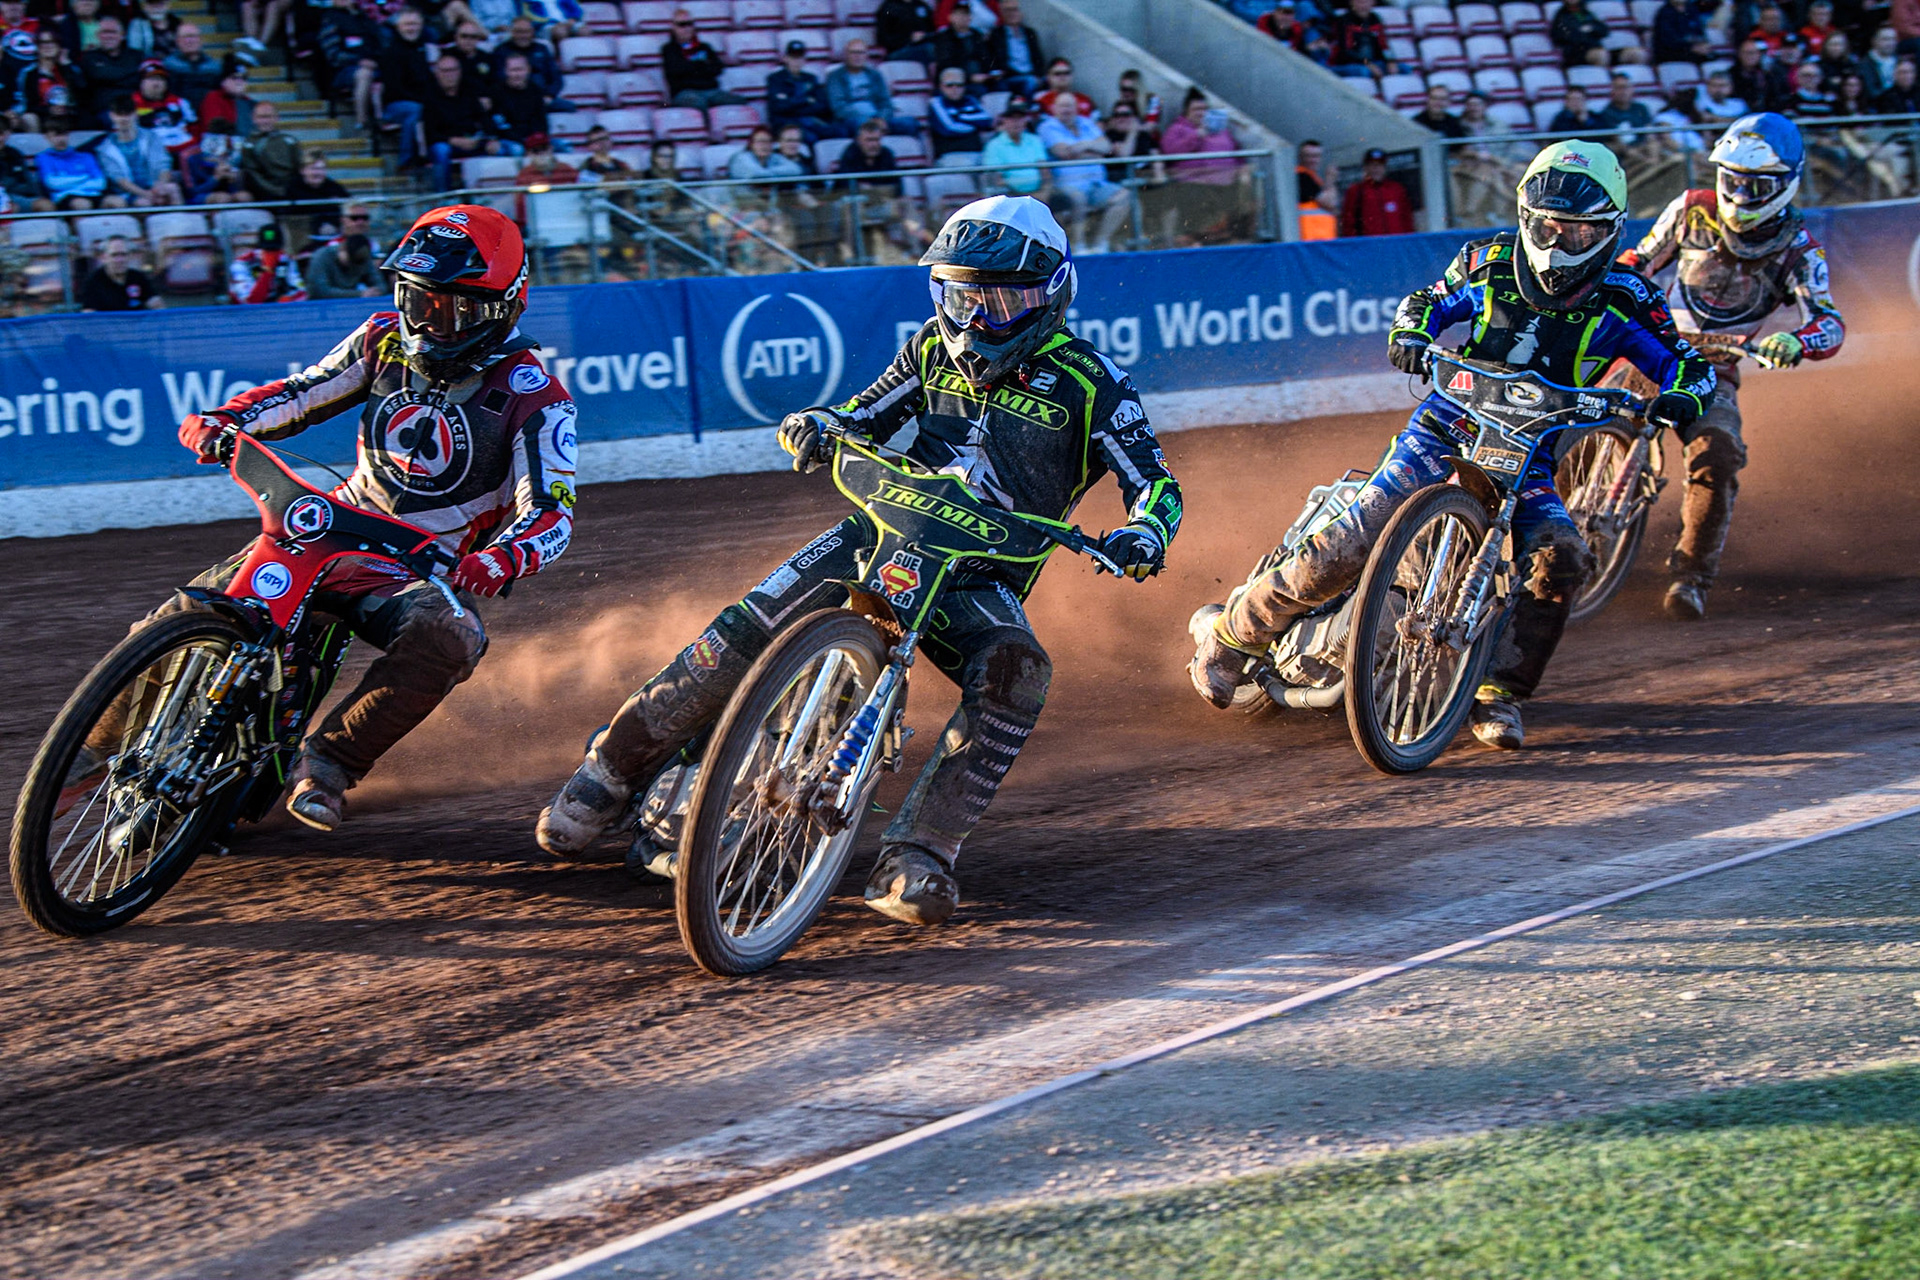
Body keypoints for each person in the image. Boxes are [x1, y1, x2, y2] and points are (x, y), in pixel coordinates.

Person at [538, 195, 1180, 928]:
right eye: (961, 296)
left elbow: (1155, 483)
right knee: (746, 624)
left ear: (1052, 293)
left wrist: (1145, 534)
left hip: (980, 572)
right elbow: (864, 413)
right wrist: (820, 423)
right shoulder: (928, 349)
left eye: (1000, 301)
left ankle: (921, 854)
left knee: (1019, 671)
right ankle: (610, 771)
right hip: (882, 531)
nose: (976, 319)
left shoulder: (1094, 383)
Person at [1190, 141, 1715, 749]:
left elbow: (1688, 365)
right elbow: (1429, 302)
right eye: (1547, 227)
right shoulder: (1488, 261)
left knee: (1562, 560)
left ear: (1608, 231)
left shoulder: (1628, 297)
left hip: (1532, 456)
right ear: (1527, 218)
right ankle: (1235, 637)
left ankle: (1499, 694)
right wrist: (1410, 332)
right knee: (1353, 538)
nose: (1556, 244)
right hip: (1445, 430)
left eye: (1576, 232)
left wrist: (1682, 397)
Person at [160, 206, 575, 832]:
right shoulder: (382, 338)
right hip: (326, 531)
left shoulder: (537, 397)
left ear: (504, 308)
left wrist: (501, 557)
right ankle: (95, 746)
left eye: (453, 308)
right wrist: (229, 420)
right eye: (418, 301)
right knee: (187, 613)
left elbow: (551, 513)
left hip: (419, 568)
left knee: (453, 635)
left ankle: (329, 763)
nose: (430, 322)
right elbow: (302, 392)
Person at [1617, 113, 1843, 621]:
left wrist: (1796, 340)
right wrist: (1613, 283)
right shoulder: (1692, 208)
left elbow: (1829, 322)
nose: (1739, 193)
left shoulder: (1801, 251)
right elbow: (1643, 260)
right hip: (1649, 348)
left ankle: (1690, 577)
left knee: (1717, 454)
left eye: (1754, 184)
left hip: (1714, 368)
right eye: (1732, 179)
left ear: (1784, 185)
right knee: (1572, 414)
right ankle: (1540, 532)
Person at [1037, 86, 1129, 252]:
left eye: (1070, 106)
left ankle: (1100, 244)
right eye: (1062, 106)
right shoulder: (1047, 127)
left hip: (1097, 184)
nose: (1066, 110)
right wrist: (1094, 151)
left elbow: (1106, 147)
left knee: (1124, 197)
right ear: (1054, 108)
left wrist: (1084, 146)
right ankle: (1078, 247)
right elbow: (1063, 152)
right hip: (1066, 186)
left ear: (1076, 108)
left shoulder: (1086, 123)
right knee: (1077, 198)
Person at [422, 53, 502, 191]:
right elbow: (429, 133)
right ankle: (443, 198)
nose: (449, 75)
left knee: (501, 149)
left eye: (453, 70)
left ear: (459, 72)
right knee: (441, 150)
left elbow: (484, 119)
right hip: (446, 143)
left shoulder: (469, 92)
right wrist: (453, 140)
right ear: (437, 73)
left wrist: (491, 139)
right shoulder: (428, 96)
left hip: (472, 141)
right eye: (445, 71)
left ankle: (490, 196)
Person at [98, 94, 183, 206]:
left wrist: (160, 187)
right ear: (111, 116)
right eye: (119, 114)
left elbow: (162, 165)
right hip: (128, 194)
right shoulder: (105, 148)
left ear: (135, 114)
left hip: (155, 187)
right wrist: (145, 194)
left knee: (172, 189)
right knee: (144, 203)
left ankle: (181, 220)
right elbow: (119, 180)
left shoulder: (151, 137)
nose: (124, 119)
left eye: (127, 114)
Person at [376, 9, 434, 170]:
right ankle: (406, 159)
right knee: (416, 110)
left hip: (422, 102)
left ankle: (430, 155)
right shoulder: (391, 52)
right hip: (395, 106)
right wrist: (424, 101)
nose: (412, 28)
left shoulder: (424, 50)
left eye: (415, 24)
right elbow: (395, 89)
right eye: (408, 24)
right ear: (398, 27)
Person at [826, 38, 919, 135]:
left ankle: (878, 133)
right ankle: (876, 134)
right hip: (852, 120)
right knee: (861, 124)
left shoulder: (875, 75)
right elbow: (839, 108)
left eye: (861, 53)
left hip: (877, 118)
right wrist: (869, 121)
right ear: (845, 55)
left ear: (866, 55)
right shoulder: (835, 76)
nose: (857, 56)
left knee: (910, 123)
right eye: (853, 53)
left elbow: (886, 103)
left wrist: (881, 118)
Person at [660, 8, 743, 110]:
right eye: (682, 24)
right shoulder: (669, 49)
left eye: (690, 24)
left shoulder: (705, 47)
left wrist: (691, 67)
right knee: (698, 103)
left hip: (710, 90)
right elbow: (676, 70)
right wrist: (702, 65)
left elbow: (718, 68)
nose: (687, 28)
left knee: (737, 100)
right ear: (674, 27)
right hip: (684, 92)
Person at [317, 0, 381, 129]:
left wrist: (377, 60)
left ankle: (383, 118)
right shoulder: (330, 19)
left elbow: (378, 43)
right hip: (344, 70)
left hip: (374, 64)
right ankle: (361, 120)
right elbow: (333, 54)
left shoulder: (363, 17)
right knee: (364, 74)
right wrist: (358, 61)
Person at [766, 38, 840, 143]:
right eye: (793, 57)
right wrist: (805, 100)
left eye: (799, 57)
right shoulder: (775, 79)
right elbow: (778, 107)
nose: (796, 61)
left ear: (804, 59)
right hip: (786, 124)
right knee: (810, 137)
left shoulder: (811, 78)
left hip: (810, 121)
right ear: (785, 58)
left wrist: (793, 103)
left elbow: (823, 106)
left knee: (838, 131)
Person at [34, 113, 111, 208]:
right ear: (47, 137)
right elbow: (52, 183)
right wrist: (84, 178)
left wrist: (70, 183)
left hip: (93, 194)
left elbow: (101, 183)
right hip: (64, 196)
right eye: (56, 135)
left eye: (64, 135)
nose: (61, 139)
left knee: (116, 201)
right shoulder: (44, 158)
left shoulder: (86, 156)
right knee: (82, 204)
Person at [80, 16, 143, 123]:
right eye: (104, 32)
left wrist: (107, 77)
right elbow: (97, 75)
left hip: (136, 107)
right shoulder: (89, 57)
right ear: (97, 35)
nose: (109, 36)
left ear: (123, 35)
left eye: (113, 32)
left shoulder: (136, 56)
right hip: (105, 110)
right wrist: (129, 73)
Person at [1338, 146, 1412, 235]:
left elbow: (1407, 221)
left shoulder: (1397, 189)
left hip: (1395, 245)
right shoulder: (1355, 191)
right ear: (1366, 167)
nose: (1376, 168)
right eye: (1372, 164)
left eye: (1380, 164)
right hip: (1369, 245)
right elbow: (1348, 224)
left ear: (1385, 167)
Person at [981, 96, 1046, 194]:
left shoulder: (1035, 140)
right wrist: (1027, 197)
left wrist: (1045, 191)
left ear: (1025, 120)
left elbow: (1045, 172)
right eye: (1012, 118)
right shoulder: (994, 145)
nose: (1016, 122)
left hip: (1039, 193)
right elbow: (996, 180)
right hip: (1011, 195)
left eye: (1020, 118)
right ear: (1004, 120)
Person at [240, 98, 302, 199]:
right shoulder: (248, 144)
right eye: (261, 117)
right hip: (264, 191)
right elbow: (253, 173)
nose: (265, 121)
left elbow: (300, 166)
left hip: (291, 188)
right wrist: (277, 191)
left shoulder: (290, 141)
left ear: (276, 118)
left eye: (268, 117)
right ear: (253, 119)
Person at [228, 222, 306, 302]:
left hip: (281, 310)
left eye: (275, 250)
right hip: (248, 312)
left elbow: (301, 291)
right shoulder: (242, 264)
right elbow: (251, 301)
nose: (272, 253)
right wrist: (267, 271)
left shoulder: (286, 260)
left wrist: (290, 298)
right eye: (267, 250)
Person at [131, 60, 195, 156]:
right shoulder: (131, 104)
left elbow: (194, 127)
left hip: (184, 150)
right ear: (141, 82)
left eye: (160, 79)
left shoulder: (180, 102)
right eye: (151, 79)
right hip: (150, 152)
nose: (156, 83)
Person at [78, 234, 159, 309]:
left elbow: (157, 305)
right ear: (103, 257)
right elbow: (89, 315)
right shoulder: (92, 282)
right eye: (114, 255)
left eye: (123, 255)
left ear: (130, 256)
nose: (120, 260)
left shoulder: (139, 277)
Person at [927, 63, 993, 155]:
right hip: (951, 154)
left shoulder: (971, 100)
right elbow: (949, 128)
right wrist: (975, 125)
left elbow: (986, 120)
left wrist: (959, 117)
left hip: (977, 151)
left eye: (959, 85)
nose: (955, 89)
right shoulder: (936, 102)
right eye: (949, 85)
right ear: (941, 86)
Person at [490, 51, 551, 150]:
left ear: (528, 70)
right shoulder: (496, 92)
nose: (517, 74)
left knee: (563, 146)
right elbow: (500, 124)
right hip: (509, 139)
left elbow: (541, 122)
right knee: (517, 149)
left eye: (520, 70)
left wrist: (536, 141)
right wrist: (524, 142)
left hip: (533, 139)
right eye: (513, 70)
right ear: (506, 71)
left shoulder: (536, 90)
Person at [986, 0, 1043, 96]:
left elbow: (1038, 58)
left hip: (1031, 74)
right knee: (1029, 82)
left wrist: (1038, 75)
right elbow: (992, 60)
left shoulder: (1029, 33)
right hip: (1010, 76)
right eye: (1007, 10)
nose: (1011, 14)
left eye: (1015, 10)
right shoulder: (996, 35)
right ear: (1002, 13)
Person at [184, 116, 248, 201]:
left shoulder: (234, 158)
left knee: (244, 196)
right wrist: (216, 178)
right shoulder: (194, 159)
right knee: (222, 197)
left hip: (228, 195)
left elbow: (236, 190)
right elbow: (193, 192)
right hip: (201, 196)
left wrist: (233, 180)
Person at [930, 0, 991, 89]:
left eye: (965, 14)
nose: (962, 17)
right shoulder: (944, 37)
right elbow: (946, 64)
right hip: (958, 82)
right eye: (959, 14)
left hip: (982, 78)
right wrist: (969, 77)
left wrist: (990, 74)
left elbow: (986, 58)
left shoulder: (977, 35)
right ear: (951, 17)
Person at [303, 229, 382, 297]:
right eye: (351, 261)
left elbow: (380, 284)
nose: (354, 266)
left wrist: (376, 292)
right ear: (343, 249)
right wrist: (359, 294)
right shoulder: (321, 257)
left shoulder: (363, 258)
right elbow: (320, 291)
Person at [283, 151, 351, 229]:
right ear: (302, 170)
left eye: (322, 169)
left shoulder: (334, 188)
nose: (318, 173)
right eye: (314, 169)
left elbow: (350, 206)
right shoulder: (291, 188)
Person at [1329, 0, 1397, 78]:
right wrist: (1367, 63)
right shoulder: (1344, 21)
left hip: (1373, 62)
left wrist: (1390, 61)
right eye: (1359, 2)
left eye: (1366, 2)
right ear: (1351, 2)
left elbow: (1384, 45)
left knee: (1403, 68)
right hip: (1351, 64)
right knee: (1364, 72)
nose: (1363, 6)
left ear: (1373, 2)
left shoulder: (1375, 19)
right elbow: (1346, 52)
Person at [163, 23, 221, 106]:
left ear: (201, 40)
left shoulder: (214, 67)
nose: (190, 40)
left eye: (193, 36)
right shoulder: (168, 66)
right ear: (177, 41)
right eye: (185, 37)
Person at [197, 57, 255, 138]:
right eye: (234, 78)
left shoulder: (249, 102)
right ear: (223, 81)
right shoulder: (213, 98)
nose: (239, 82)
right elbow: (214, 127)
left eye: (243, 78)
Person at [1295, 137, 1336, 239]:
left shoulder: (1314, 178)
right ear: (1300, 157)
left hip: (1319, 237)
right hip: (1310, 237)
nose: (1313, 160)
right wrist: (1330, 179)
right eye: (1308, 156)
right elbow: (1329, 202)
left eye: (1316, 156)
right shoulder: (1301, 176)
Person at [1551, 0, 1612, 67]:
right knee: (1601, 54)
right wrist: (1587, 32)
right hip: (1577, 53)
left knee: (1625, 54)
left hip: (1596, 48)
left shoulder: (1585, 13)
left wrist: (1591, 29)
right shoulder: (1561, 17)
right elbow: (1566, 36)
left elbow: (1604, 30)